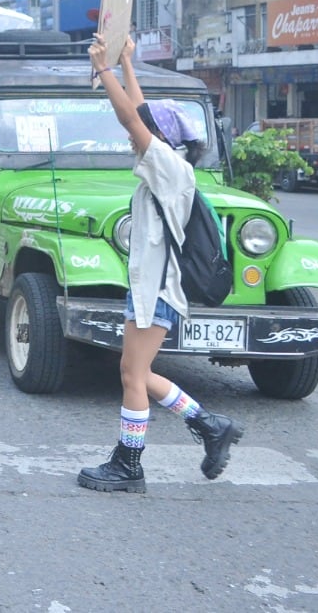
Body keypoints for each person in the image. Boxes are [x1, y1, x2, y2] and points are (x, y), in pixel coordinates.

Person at [77, 33, 243, 494]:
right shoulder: (168, 165)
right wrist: (128, 62)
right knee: (139, 373)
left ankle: (130, 465)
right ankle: (210, 425)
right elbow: (143, 114)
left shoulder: (170, 168)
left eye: (147, 135)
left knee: (132, 375)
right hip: (152, 287)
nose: (135, 139)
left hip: (158, 289)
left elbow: (132, 118)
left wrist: (103, 70)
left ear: (162, 140)